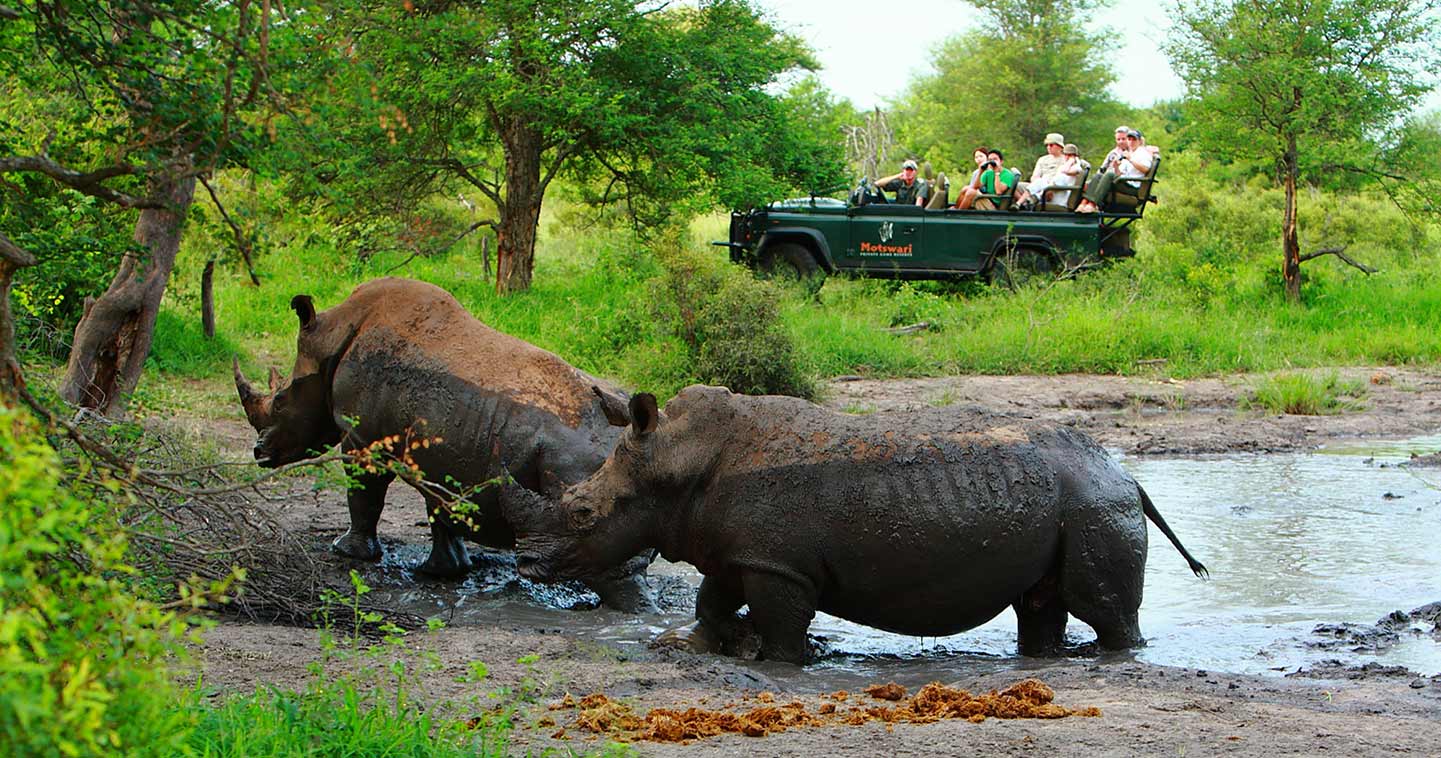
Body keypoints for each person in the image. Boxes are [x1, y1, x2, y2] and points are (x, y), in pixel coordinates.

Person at [1076, 129, 1153, 213]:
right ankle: (1083, 203)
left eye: (1134, 139)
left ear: (1139, 141)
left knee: (1109, 175)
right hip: (1124, 182)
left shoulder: (1143, 153)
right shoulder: (1128, 153)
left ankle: (1093, 204)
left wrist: (1130, 159)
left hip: (1133, 187)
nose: (1131, 142)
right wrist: (1116, 167)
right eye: (1129, 139)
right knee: (1098, 176)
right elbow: (1119, 173)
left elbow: (1146, 169)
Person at [956, 149, 1021, 210]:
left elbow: (998, 192)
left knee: (971, 193)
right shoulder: (989, 172)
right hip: (988, 199)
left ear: (1001, 161)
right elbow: (976, 187)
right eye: (990, 160)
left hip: (995, 204)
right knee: (966, 188)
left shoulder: (1007, 174)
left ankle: (958, 215)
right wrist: (981, 172)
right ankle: (955, 210)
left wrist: (997, 173)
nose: (992, 162)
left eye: (995, 159)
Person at [1016, 132, 1065, 209]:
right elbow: (1034, 176)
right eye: (1047, 145)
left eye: (1051, 145)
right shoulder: (1042, 159)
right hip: (1038, 185)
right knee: (1016, 186)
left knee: (1048, 190)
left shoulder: (1065, 160)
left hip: (1054, 189)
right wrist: (1037, 184)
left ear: (1060, 146)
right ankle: (1024, 205)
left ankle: (1029, 202)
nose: (1048, 147)